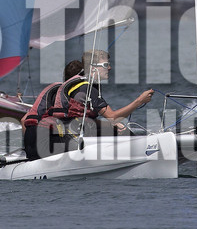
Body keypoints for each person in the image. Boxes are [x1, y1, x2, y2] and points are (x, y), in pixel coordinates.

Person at [21, 55, 155, 162]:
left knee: (108, 128)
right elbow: (112, 117)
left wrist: (28, 152)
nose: (110, 68)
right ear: (91, 69)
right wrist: (139, 101)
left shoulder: (60, 90)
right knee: (119, 130)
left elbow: (24, 120)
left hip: (32, 142)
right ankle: (143, 151)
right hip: (50, 142)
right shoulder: (84, 88)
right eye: (106, 65)